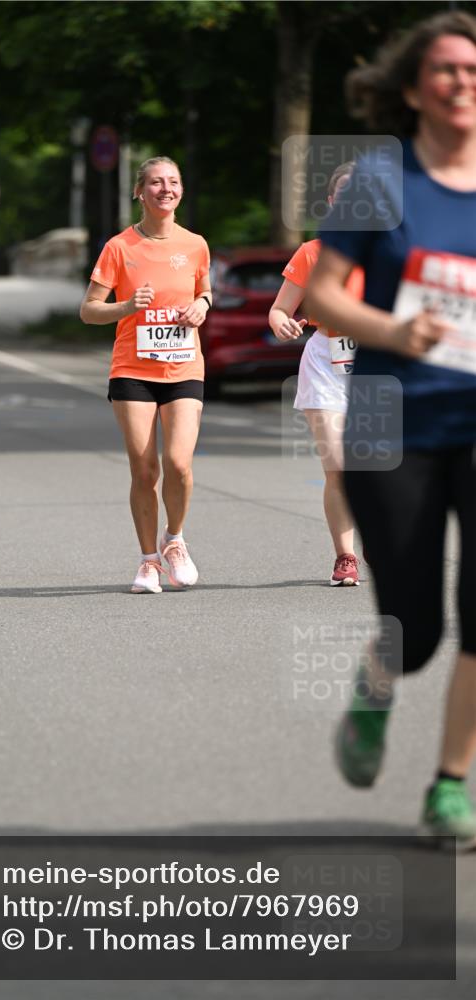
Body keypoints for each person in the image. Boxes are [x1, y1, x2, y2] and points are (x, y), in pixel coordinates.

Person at [306, 12, 476, 844]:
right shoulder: (381, 178)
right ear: (413, 89)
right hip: (390, 416)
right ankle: (375, 691)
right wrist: (391, 332)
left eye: (473, 69)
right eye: (445, 69)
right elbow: (322, 296)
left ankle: (450, 784)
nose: (462, 81)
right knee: (412, 630)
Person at [80, 156, 212, 593]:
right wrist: (126, 306)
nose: (165, 189)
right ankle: (148, 561)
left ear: (182, 190)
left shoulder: (195, 244)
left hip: (184, 366)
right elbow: (88, 310)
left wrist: (203, 306)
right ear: (139, 191)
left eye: (173, 181)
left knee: (179, 463)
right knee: (144, 469)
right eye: (155, 183)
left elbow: (204, 289)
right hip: (133, 369)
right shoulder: (120, 247)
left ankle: (174, 540)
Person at [269, 162, 364, 586]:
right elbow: (278, 310)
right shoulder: (311, 253)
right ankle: (346, 556)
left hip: (381, 365)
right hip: (327, 361)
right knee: (339, 467)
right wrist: (280, 321)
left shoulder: (393, 251)